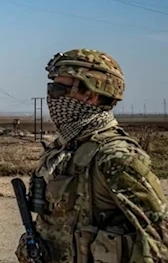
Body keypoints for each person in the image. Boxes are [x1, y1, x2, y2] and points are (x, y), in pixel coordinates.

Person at [15, 48, 168, 263]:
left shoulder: (116, 156)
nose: (52, 97)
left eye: (59, 88)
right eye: (51, 87)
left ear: (90, 95)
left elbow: (158, 234)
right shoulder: (65, 148)